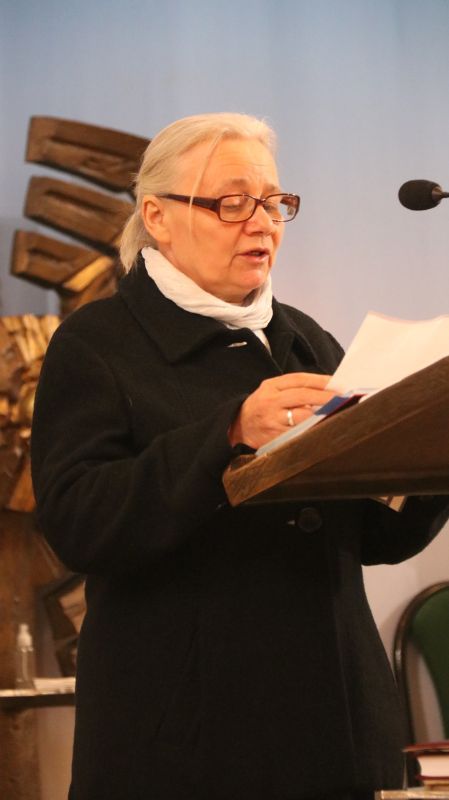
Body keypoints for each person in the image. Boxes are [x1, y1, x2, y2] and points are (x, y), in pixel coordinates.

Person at [31, 112, 449, 800]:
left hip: (332, 723)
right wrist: (226, 432)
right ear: (157, 217)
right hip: (186, 735)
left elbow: (374, 536)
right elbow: (79, 523)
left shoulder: (305, 339)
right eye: (232, 203)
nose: (262, 224)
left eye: (274, 203)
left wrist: (430, 457)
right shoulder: (96, 343)